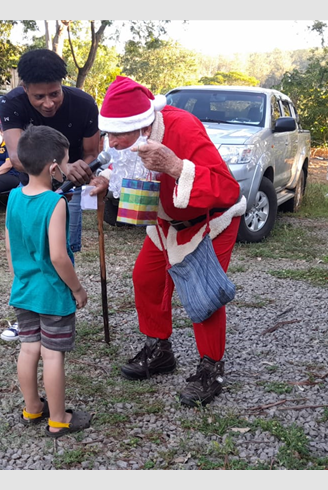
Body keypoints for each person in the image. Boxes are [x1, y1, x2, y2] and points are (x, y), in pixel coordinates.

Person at [89, 76, 247, 407]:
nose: (112, 140)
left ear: (142, 125)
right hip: (166, 221)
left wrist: (174, 166)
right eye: (109, 132)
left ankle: (211, 368)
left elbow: (227, 188)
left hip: (210, 221)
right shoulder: (123, 139)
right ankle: (160, 351)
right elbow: (120, 162)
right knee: (145, 278)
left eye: (119, 133)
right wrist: (105, 179)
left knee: (203, 295)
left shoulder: (182, 128)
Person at [0, 48, 100, 341]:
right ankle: (31, 313)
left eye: (54, 93)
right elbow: (17, 156)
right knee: (28, 249)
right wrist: (59, 170)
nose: (48, 103)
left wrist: (82, 169)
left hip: (72, 187)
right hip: (30, 188)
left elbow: (93, 153)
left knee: (63, 250)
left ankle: (58, 313)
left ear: (62, 84)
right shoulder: (11, 103)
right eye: (39, 97)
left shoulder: (83, 104)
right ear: (24, 89)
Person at [5, 125, 91, 437]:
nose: (68, 168)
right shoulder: (56, 203)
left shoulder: (13, 197)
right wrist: (77, 288)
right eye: (67, 163)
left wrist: (20, 277)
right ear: (54, 167)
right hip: (52, 294)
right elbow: (58, 256)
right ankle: (59, 419)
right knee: (52, 355)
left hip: (24, 289)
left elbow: (10, 245)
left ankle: (32, 408)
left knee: (28, 349)